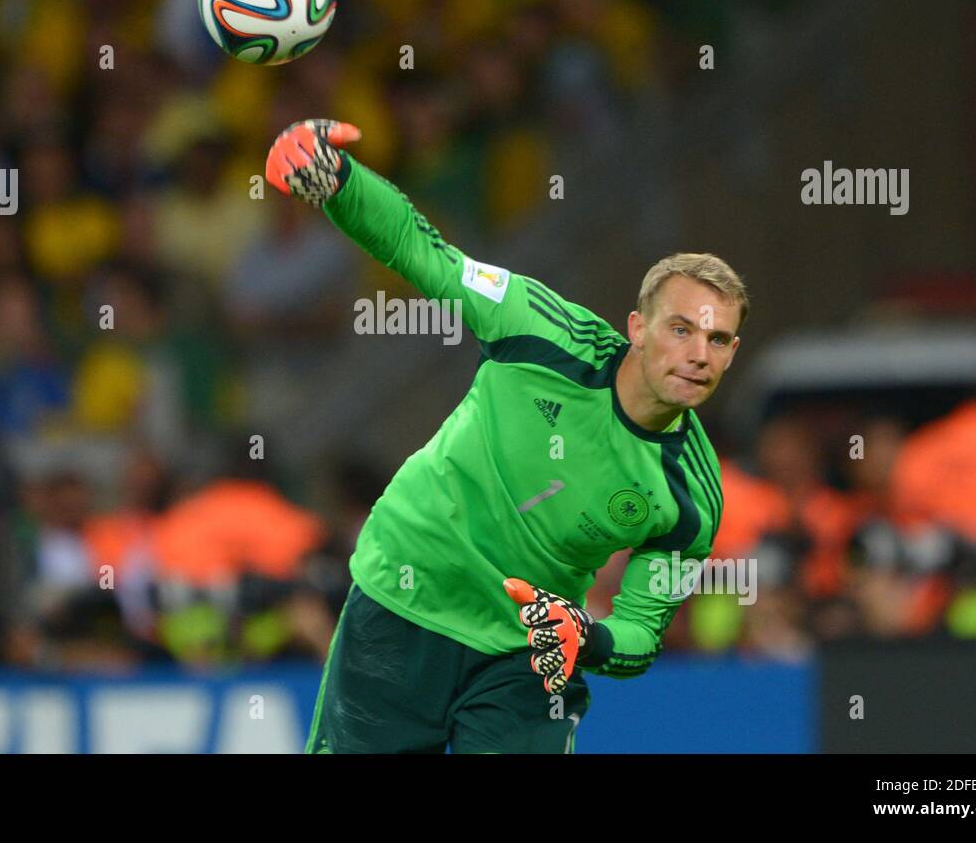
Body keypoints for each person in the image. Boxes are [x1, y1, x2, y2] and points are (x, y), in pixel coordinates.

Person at [265, 119, 747, 753]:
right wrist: (336, 181)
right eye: (681, 329)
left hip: (525, 654)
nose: (697, 354)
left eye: (717, 340)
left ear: (732, 352)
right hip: (403, 602)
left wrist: (588, 637)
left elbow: (639, 632)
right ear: (636, 327)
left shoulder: (691, 496)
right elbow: (423, 251)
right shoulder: (538, 327)